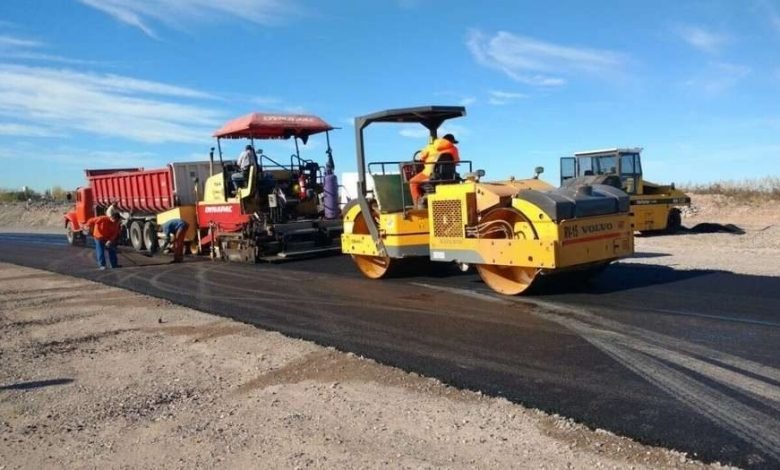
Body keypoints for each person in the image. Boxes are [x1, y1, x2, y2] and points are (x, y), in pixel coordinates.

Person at [409, 133, 460, 206]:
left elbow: (421, 157)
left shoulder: (430, 146)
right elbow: (456, 161)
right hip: (449, 176)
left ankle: (418, 204)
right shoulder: (454, 149)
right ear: (451, 141)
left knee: (413, 182)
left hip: (430, 174)